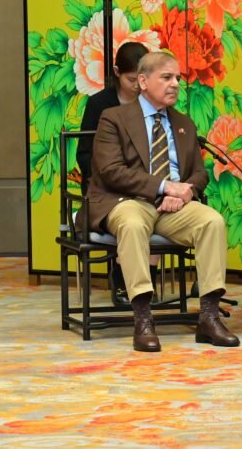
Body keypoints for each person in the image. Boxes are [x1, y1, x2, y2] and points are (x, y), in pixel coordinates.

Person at [88, 51, 239, 352]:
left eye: (178, 79)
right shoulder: (113, 119)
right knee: (131, 224)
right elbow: (111, 171)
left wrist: (184, 192)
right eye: (166, 77)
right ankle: (143, 319)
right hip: (126, 200)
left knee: (212, 221)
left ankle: (208, 317)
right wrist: (163, 187)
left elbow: (198, 173)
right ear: (143, 81)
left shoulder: (183, 123)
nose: (174, 85)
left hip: (173, 206)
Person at [77, 41, 154, 306]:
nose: (137, 85)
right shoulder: (100, 105)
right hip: (108, 186)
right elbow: (84, 154)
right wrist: (108, 178)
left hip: (143, 183)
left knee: (153, 205)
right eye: (132, 79)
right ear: (116, 72)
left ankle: (146, 285)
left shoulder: (153, 102)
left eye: (143, 79)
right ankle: (124, 284)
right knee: (129, 214)